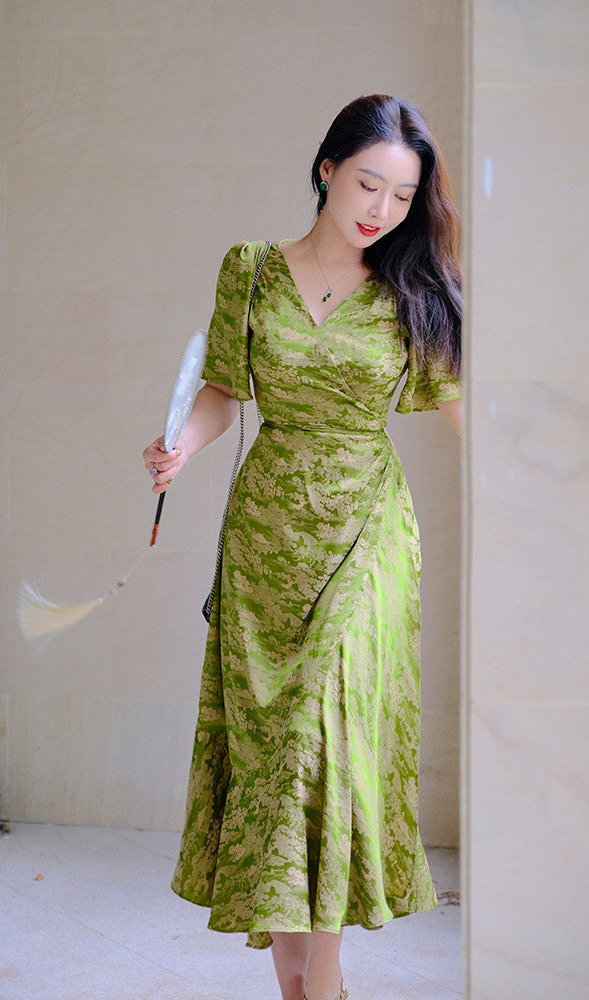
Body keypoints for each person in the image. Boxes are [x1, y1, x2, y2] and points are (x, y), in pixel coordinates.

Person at [142, 94, 462, 1000]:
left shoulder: (414, 288)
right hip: (266, 535)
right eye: (368, 184)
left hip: (366, 529)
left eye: (403, 196)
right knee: (277, 756)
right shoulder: (250, 271)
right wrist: (180, 447)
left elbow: (466, 409)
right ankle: (304, 981)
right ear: (327, 169)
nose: (382, 210)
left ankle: (322, 980)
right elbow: (221, 389)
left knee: (323, 730)